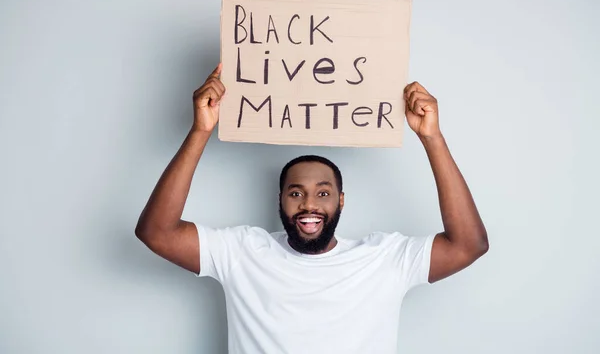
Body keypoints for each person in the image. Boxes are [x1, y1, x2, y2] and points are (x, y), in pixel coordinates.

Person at [135, 63, 489, 353]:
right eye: (295, 193)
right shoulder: (241, 252)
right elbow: (156, 232)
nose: (308, 205)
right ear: (280, 201)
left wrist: (432, 138)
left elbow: (468, 245)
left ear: (341, 201)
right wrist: (200, 131)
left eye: (323, 194)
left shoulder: (384, 258)